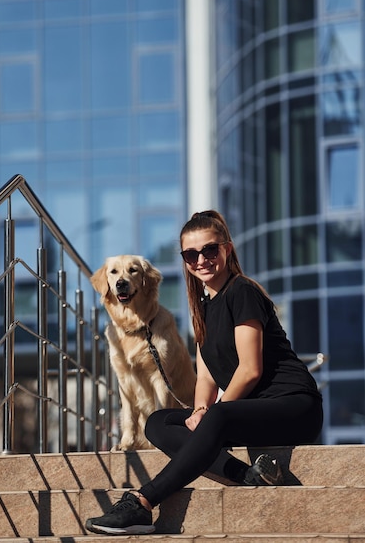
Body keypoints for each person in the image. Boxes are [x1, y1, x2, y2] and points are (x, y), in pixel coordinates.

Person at [85, 210, 323, 536]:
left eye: (210, 250)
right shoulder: (203, 305)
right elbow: (208, 375)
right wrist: (199, 409)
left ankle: (142, 502)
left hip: (293, 406)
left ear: (227, 249)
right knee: (158, 422)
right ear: (184, 260)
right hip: (248, 414)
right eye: (191, 254)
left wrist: (210, 415)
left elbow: (251, 369)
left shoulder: (243, 293)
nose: (201, 259)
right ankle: (251, 475)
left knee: (216, 417)